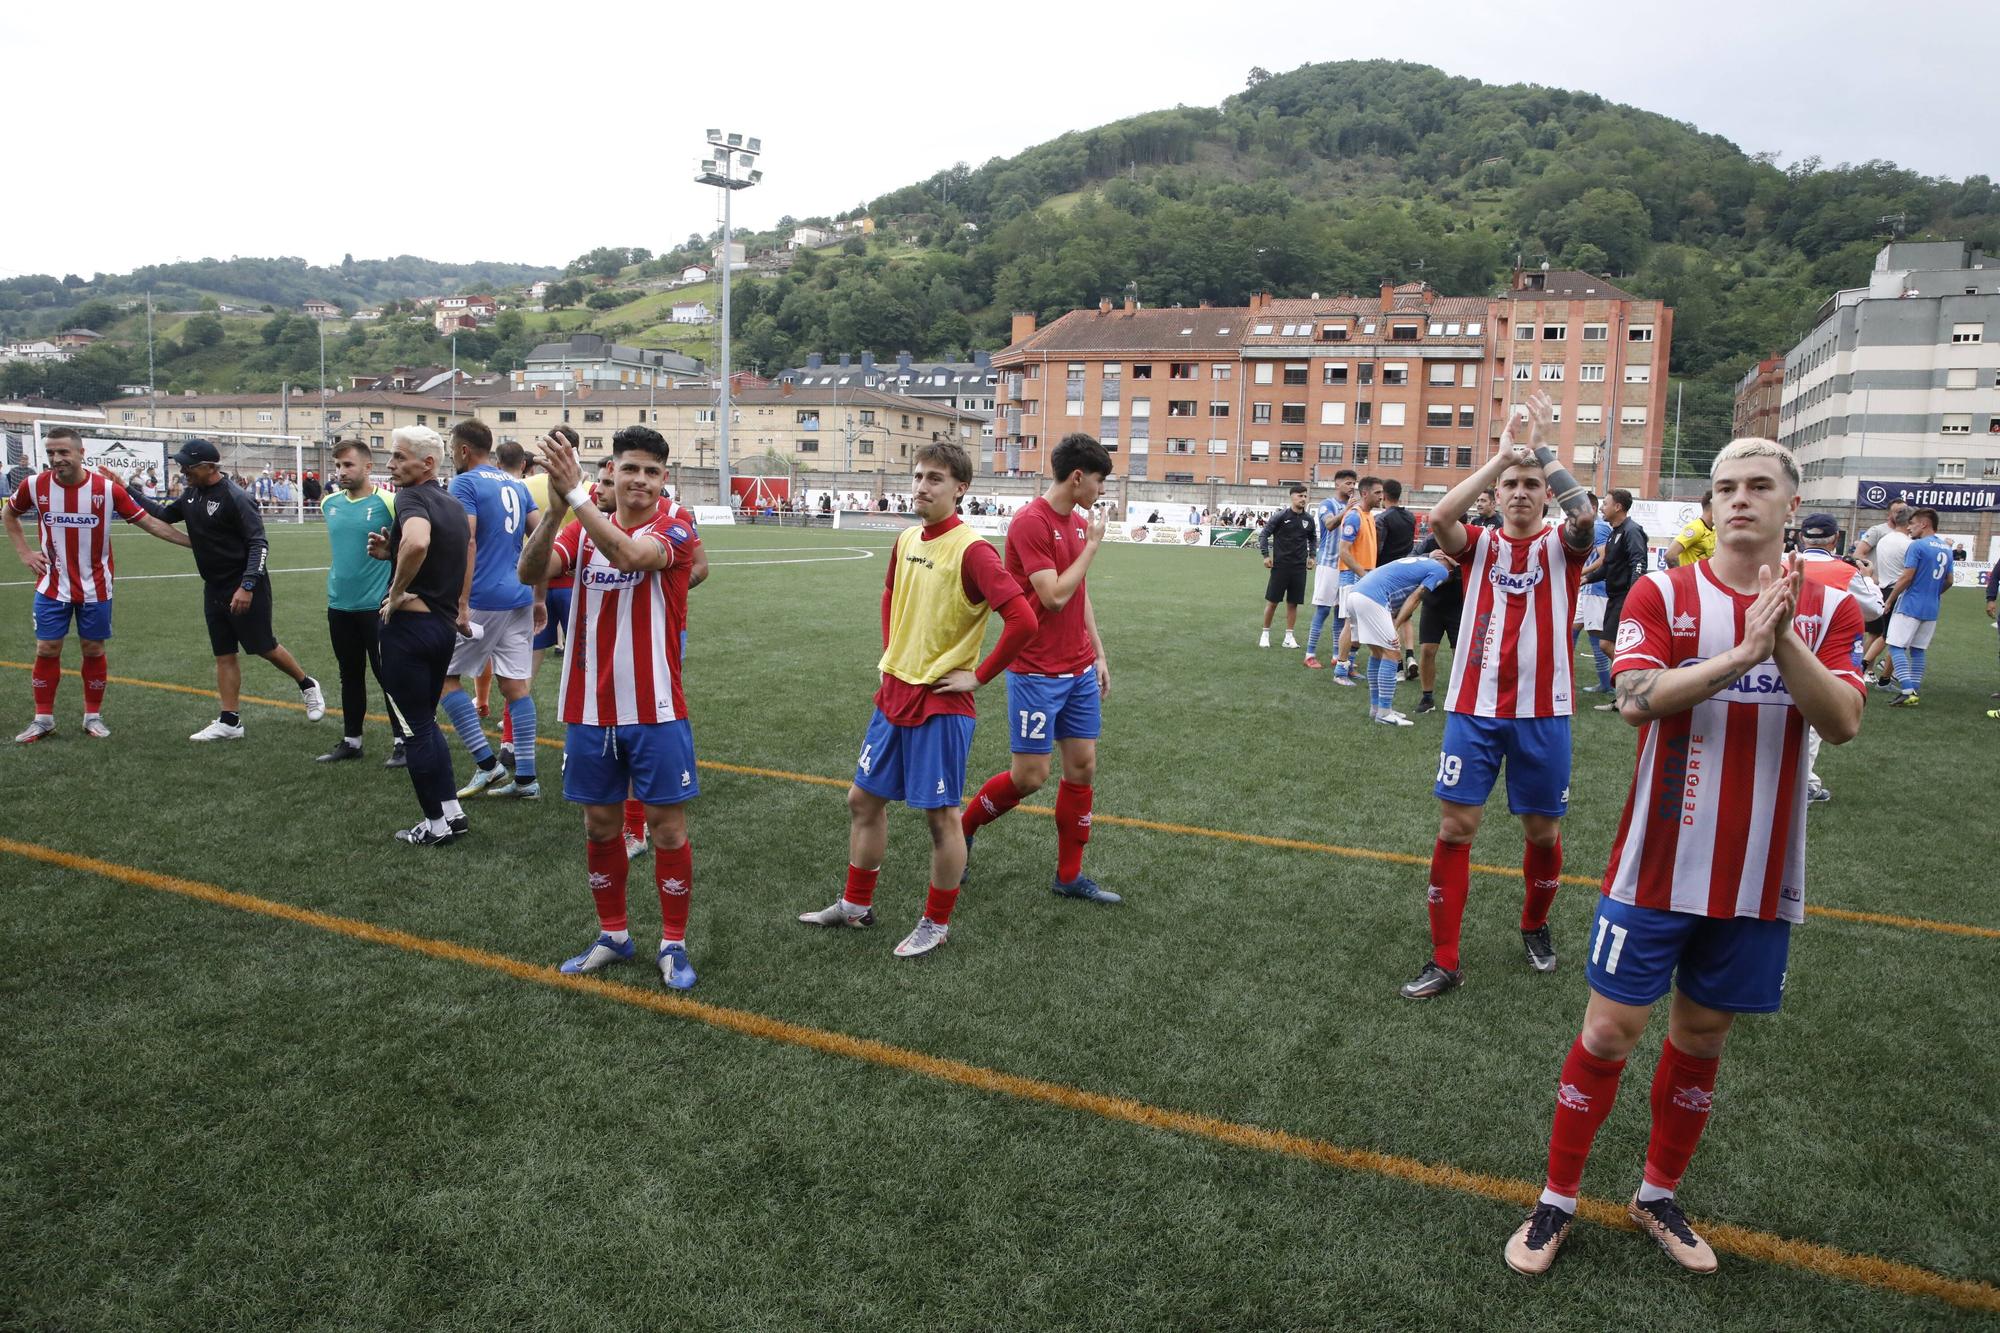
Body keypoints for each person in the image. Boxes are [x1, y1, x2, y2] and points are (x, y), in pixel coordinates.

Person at [1501, 438, 1865, 1278]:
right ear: (1710, 504)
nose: (1741, 499)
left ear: (1788, 502)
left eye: (1759, 486)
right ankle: (1556, 1198)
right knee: (1608, 1028)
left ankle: (1656, 1191)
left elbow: (1842, 721)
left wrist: (1782, 643)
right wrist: (1739, 655)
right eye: (1727, 486)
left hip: (1761, 873)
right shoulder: (1663, 590)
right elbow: (1633, 699)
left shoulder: (1832, 603)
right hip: (1658, 859)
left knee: (1701, 1038)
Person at [798, 441, 1038, 958]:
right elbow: (890, 592)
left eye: (935, 479)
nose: (922, 487)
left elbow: (1023, 619)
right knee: (862, 801)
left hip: (941, 703)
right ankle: (856, 906)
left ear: (960, 489)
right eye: (918, 476)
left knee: (940, 817)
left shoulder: (973, 550)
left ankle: (936, 922)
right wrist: (892, 647)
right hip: (893, 692)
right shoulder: (906, 537)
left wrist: (979, 677)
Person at [1401, 394, 1596, 999]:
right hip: (1473, 711)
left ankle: (1535, 925)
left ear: (1544, 493)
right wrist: (1500, 455)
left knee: (1540, 834)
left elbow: (1586, 515)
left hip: (1544, 713)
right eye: (1510, 484)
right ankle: (1444, 958)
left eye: (1530, 484)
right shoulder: (1478, 544)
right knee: (1456, 829)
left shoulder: (1564, 545)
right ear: (1497, 493)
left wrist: (1538, 449)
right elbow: (1439, 519)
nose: (1518, 492)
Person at [515, 428, 702, 988]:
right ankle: (614, 935)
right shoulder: (580, 529)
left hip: (656, 707)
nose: (640, 480)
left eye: (651, 471)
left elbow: (629, 554)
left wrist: (574, 497)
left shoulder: (675, 524)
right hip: (590, 709)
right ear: (613, 473)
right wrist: (553, 511)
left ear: (663, 478)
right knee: (601, 828)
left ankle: (673, 945)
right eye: (630, 469)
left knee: (667, 830)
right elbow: (530, 572)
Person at [960, 434, 1117, 904]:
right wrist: (1091, 547)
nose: (1100, 490)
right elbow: (1052, 596)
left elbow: (1079, 594)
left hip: (1078, 669)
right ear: (1076, 477)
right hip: (1036, 671)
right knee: (1030, 776)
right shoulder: (1031, 523)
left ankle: (1069, 876)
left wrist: (1099, 653)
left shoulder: (1074, 522)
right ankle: (964, 827)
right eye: (1098, 480)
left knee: (1083, 767)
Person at [6, 426, 192, 743]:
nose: (56, 458)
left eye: (63, 451)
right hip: (52, 585)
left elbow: (149, 523)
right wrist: (24, 552)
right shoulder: (34, 485)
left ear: (81, 453)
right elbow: (9, 514)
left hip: (96, 587)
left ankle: (92, 716)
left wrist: (195, 544)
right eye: (51, 452)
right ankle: (43, 720)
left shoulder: (106, 490)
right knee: (47, 648)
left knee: (93, 649)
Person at [147, 439, 325, 740]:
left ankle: (307, 684)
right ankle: (230, 721)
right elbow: (162, 514)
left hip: (244, 585)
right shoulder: (191, 495)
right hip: (213, 586)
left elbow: (259, 543)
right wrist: (123, 491)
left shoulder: (236, 497)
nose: (183, 471)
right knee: (224, 654)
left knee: (264, 647)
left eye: (188, 466)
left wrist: (247, 586)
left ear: (209, 467)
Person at [368, 426, 473, 846]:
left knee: (415, 730)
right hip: (440, 629)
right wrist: (388, 552)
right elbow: (457, 552)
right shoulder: (451, 502)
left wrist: (394, 593)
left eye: (398, 456)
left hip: (409, 631)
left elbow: (416, 543)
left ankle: (434, 826)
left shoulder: (411, 497)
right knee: (425, 725)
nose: (389, 464)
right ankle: (452, 812)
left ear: (427, 463)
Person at [436, 421, 543, 799]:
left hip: (483, 598)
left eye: (452, 448)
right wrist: (538, 596)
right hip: (518, 597)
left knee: (443, 677)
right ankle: (527, 779)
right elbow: (541, 539)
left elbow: (466, 541)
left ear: (463, 450)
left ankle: (488, 764)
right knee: (515, 685)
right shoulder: (516, 483)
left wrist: (462, 603)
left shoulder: (465, 483)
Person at [316, 439, 404, 766]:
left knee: (388, 675)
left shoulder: (390, 502)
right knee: (349, 673)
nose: (341, 471)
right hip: (339, 604)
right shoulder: (329, 504)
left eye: (348, 465)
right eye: (338, 466)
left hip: (377, 606)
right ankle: (352, 741)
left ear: (368, 467)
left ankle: (403, 741)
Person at [1795, 513, 1883, 802]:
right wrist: (1869, 580)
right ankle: (1803, 783)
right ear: (1834, 539)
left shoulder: (1783, 563)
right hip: (1823, 651)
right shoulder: (1845, 572)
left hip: (1780, 648)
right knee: (1813, 719)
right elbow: (1874, 610)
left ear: (1801, 537)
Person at [1346, 550, 1457, 725]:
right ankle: (1384, 712)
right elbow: (1415, 597)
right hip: (1371, 597)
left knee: (1377, 653)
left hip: (1356, 593)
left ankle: (1376, 708)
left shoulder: (1419, 561)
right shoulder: (1441, 570)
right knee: (1392, 653)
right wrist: (1395, 625)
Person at [1412, 498, 1499, 715]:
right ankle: (1427, 697)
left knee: (1461, 653)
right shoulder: (1431, 541)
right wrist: (1426, 556)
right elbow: (1410, 559)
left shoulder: (1469, 544)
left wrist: (1456, 565)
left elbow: (1485, 569)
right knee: (1427, 650)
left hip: (1461, 605)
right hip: (1433, 604)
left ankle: (1465, 695)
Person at [1584, 489, 1648, 712]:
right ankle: (1625, 696)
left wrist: (1633, 595)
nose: (1602, 508)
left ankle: (1635, 688)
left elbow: (1638, 562)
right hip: (1614, 596)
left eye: (1606, 503)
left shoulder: (1632, 531)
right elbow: (1608, 567)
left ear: (1618, 507)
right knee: (1612, 645)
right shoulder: (1614, 532)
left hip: (1625, 596)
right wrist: (1585, 579)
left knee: (1607, 645)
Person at [1884, 508, 1953, 707]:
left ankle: (1907, 691)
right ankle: (1914, 690)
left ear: (1924, 524)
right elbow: (1949, 580)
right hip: (1932, 606)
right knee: (1918, 650)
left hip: (1910, 604)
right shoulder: (1946, 548)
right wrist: (1933, 592)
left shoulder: (1917, 546)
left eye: (1912, 523)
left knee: (1896, 646)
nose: (1909, 527)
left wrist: (1890, 600)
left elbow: (1907, 577)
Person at [1331, 477, 1383, 684]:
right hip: (1353, 575)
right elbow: (1343, 552)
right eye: (1378, 493)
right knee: (1349, 623)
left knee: (1359, 624)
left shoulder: (1369, 515)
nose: (1381, 496)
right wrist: (1364, 574)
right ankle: (1340, 671)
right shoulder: (1354, 516)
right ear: (1365, 493)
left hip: (1365, 574)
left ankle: (1349, 666)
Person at [1304, 468, 1358, 668]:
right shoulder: (1327, 504)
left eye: (1354, 483)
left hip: (1346, 566)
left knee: (1340, 612)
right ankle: (1309, 654)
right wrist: (1347, 511)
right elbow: (1329, 525)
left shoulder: (1354, 506)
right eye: (1348, 483)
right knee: (1323, 610)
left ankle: (1337, 654)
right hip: (1328, 564)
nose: (1352, 487)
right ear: (1337, 484)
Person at [1855, 502, 1912, 689]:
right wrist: (1871, 576)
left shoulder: (1887, 539)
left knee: (1884, 634)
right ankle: (1868, 670)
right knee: (1888, 635)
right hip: (1892, 589)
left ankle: (1868, 669)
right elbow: (1859, 553)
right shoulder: (1885, 534)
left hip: (1883, 587)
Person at [1257, 484, 1315, 648]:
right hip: (1281, 566)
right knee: (1273, 601)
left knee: (1293, 603)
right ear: (1292, 497)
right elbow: (1264, 534)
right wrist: (1266, 555)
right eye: (1300, 496)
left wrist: (1312, 556)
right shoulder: (1280, 516)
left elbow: (1312, 538)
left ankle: (1288, 638)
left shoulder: (1308, 519)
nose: (1303, 499)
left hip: (1299, 568)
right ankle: (1265, 634)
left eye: (1305, 496)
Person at [1569, 494, 1615, 698]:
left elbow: (1605, 559)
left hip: (1596, 590)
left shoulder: (1600, 528)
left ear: (1592, 508)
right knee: (1570, 630)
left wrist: (1582, 574)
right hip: (1587, 591)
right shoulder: (1589, 528)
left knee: (1597, 636)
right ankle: (1563, 677)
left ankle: (1608, 684)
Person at [1374, 478, 1420, 675]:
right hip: (1407, 570)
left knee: (1390, 618)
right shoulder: (1410, 517)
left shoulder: (1382, 518)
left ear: (1384, 495)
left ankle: (1398, 662)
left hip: (1387, 572)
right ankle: (1410, 655)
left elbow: (1379, 547)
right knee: (1406, 616)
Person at [1664, 492, 1715, 567]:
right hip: (1690, 578)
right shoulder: (1696, 528)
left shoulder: (1713, 530)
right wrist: (1680, 576)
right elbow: (1670, 555)